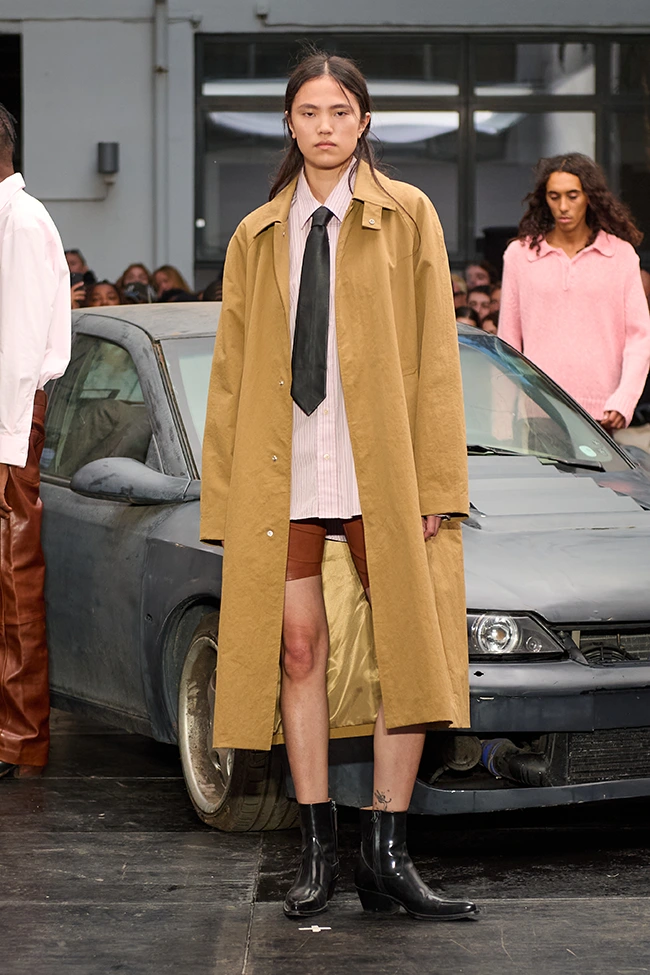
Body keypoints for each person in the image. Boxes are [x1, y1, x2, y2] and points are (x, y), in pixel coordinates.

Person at [200, 51, 477, 923]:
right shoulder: (256, 235)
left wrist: (438, 479)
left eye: (340, 112)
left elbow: (438, 356)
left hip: (378, 469)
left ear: (364, 121)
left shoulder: (408, 215)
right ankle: (316, 848)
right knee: (298, 651)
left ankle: (386, 853)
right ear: (289, 123)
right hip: (281, 470)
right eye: (309, 112)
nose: (325, 127)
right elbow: (230, 379)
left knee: (408, 649)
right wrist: (223, 498)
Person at [0, 104, 71, 778]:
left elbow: (21, 350)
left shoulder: (21, 221)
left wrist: (9, 443)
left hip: (10, 420)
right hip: (8, 418)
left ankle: (19, 739)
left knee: (15, 580)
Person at [499, 153, 650, 432]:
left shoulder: (620, 255)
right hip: (538, 411)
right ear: (544, 199)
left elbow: (640, 337)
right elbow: (508, 342)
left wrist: (625, 399)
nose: (563, 206)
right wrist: (507, 414)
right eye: (554, 196)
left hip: (602, 412)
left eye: (572, 195)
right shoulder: (519, 255)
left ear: (589, 197)